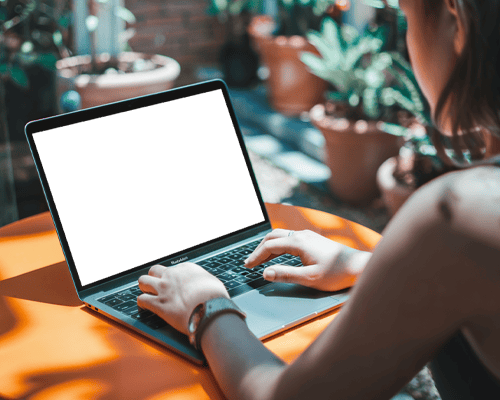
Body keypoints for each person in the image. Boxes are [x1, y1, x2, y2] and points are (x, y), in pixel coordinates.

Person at [136, 0, 500, 398]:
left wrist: (206, 309)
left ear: (455, 23)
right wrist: (368, 266)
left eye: (407, 20)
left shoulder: (459, 213)